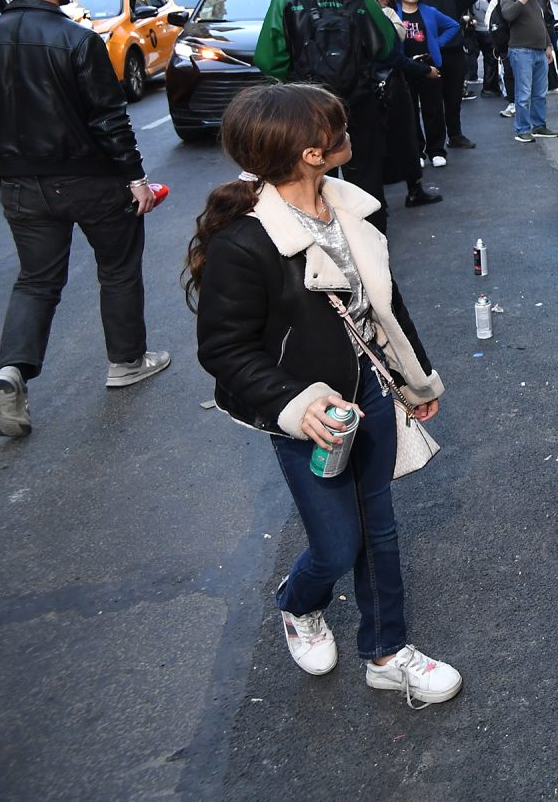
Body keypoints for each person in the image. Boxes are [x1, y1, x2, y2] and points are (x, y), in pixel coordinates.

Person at [188, 84, 458, 706]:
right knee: (338, 546)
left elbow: (384, 304)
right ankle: (298, 602)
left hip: (371, 391)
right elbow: (224, 350)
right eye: (337, 127)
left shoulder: (350, 207)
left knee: (379, 530)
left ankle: (387, 654)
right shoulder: (245, 243)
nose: (347, 132)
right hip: (308, 412)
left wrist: (415, 380)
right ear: (312, 154)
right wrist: (298, 403)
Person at [0, 0, 169, 438]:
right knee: (117, 269)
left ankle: (12, 371)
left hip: (21, 183)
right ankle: (126, 361)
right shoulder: (78, 39)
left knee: (36, 280)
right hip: (90, 179)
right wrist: (135, 177)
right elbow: (108, 117)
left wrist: (4, 166)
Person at [253, 0, 400, 230]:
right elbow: (386, 46)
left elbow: (268, 59)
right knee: (366, 175)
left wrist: (292, 84)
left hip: (306, 107)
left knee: (310, 176)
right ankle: (371, 236)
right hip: (359, 101)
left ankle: (319, 238)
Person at [357, 0, 442, 209]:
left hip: (369, 86)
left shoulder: (369, 12)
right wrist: (424, 70)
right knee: (402, 139)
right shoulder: (374, 15)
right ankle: (411, 191)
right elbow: (392, 56)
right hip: (387, 85)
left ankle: (383, 199)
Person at [391, 0, 461, 168]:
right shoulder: (393, 13)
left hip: (429, 64)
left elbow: (453, 25)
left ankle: (436, 150)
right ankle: (416, 151)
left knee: (434, 109)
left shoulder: (429, 11)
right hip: (405, 66)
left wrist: (437, 43)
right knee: (409, 111)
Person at [495, 0, 558, 142]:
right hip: (521, 50)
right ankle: (522, 129)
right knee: (523, 94)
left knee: (540, 93)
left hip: (539, 50)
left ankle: (539, 126)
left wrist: (548, 45)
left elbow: (540, 21)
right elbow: (508, 15)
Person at [420, 0, 478, 143]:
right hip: (428, 54)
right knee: (432, 101)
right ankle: (434, 143)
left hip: (453, 52)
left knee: (454, 98)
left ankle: (455, 134)